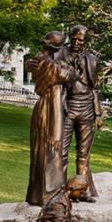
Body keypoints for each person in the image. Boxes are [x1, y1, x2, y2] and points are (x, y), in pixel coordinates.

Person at [25, 31, 75, 206]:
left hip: (49, 107)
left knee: (46, 150)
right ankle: (49, 194)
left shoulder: (38, 61)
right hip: (49, 109)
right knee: (50, 148)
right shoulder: (44, 62)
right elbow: (67, 74)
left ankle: (41, 194)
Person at [57, 25, 102, 201]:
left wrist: (98, 113)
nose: (76, 42)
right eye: (74, 38)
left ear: (86, 41)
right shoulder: (60, 54)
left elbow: (94, 88)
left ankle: (82, 191)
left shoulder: (92, 59)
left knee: (84, 153)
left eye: (80, 40)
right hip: (68, 107)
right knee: (61, 151)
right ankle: (60, 191)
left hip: (87, 108)